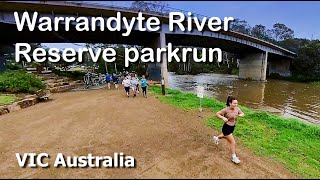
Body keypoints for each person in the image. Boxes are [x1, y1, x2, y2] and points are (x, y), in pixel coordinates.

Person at [213, 96, 245, 164]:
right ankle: (233, 157)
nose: (236, 105)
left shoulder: (237, 109)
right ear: (230, 103)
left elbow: (242, 113)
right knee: (233, 142)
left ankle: (216, 138)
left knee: (224, 136)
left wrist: (241, 115)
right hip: (226, 127)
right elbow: (217, 114)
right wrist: (222, 118)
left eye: (236, 103)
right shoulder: (226, 110)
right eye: (234, 103)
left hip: (232, 127)